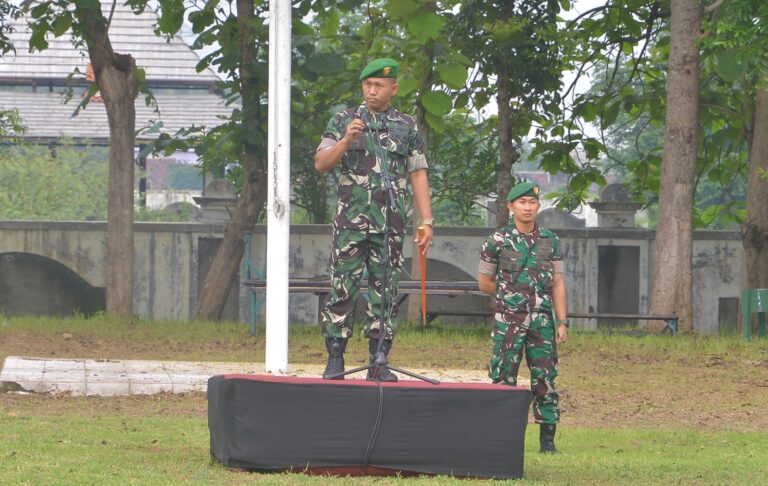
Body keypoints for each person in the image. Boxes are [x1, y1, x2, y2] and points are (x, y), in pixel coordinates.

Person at [314, 58, 434, 382]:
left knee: (386, 291)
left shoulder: (406, 126)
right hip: (351, 225)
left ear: (393, 88)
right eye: (367, 85)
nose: (371, 90)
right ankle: (335, 358)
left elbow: (418, 172)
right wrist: (344, 141)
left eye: (379, 85)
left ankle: (378, 359)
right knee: (342, 289)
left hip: (389, 225)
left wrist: (427, 220)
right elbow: (321, 163)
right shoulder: (343, 120)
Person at [476, 181, 568, 453]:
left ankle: (547, 442)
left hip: (542, 322)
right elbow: (484, 282)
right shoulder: (496, 241)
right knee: (504, 378)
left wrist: (562, 321)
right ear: (510, 207)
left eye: (532, 203)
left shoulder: (551, 240)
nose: (527, 208)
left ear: (538, 206)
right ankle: (503, 439)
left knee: (545, 378)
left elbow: (558, 283)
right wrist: (512, 296)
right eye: (522, 203)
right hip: (509, 321)